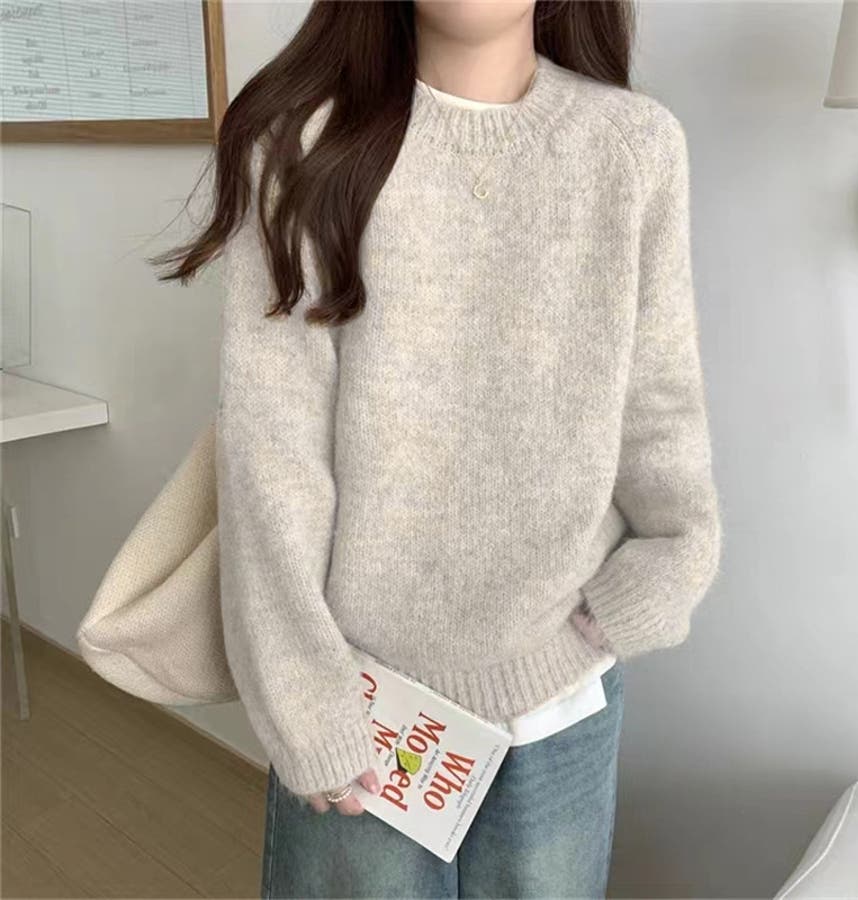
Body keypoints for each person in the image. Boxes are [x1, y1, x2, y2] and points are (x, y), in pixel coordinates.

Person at [155, 1, 722, 896]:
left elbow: (659, 401)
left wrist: (672, 562)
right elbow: (272, 462)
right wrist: (305, 696)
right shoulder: (300, 147)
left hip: (565, 688)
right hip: (362, 702)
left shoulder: (631, 146)